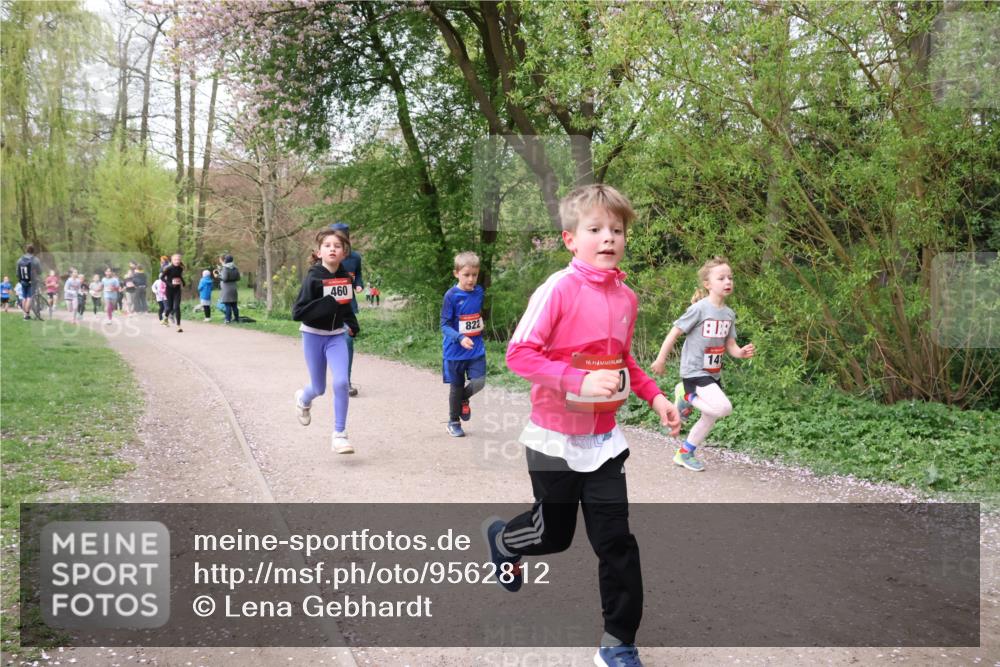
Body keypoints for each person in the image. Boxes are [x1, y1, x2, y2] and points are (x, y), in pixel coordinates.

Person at [482, 184, 681, 667]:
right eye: (595, 229)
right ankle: (505, 540)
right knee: (554, 535)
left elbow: (625, 361)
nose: (607, 238)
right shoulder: (557, 289)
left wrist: (655, 398)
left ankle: (619, 640)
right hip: (553, 437)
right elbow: (518, 354)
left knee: (616, 542)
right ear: (570, 238)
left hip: (605, 442)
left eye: (616, 229)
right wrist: (575, 379)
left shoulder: (627, 298)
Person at [650, 256, 755, 472]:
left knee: (710, 417)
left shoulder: (729, 314)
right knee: (724, 408)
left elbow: (730, 345)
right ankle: (686, 396)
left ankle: (685, 453)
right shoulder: (699, 309)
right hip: (694, 371)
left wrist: (741, 353)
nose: (728, 282)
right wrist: (661, 359)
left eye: (730, 278)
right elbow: (674, 333)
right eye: (721, 278)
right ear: (708, 284)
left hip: (713, 373)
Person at [292, 228, 360, 454]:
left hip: (336, 337)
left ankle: (340, 434)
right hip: (312, 335)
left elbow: (346, 304)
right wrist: (327, 304)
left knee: (341, 382)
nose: (332, 248)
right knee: (319, 388)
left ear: (344, 253)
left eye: (337, 246)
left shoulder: (345, 278)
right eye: (328, 245)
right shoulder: (313, 276)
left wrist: (352, 323)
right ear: (319, 252)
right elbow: (298, 312)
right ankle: (303, 398)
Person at [440, 252, 487, 437]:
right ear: (456, 273)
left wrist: (478, 324)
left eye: (474, 275)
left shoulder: (479, 291)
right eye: (466, 275)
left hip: (476, 348)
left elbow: (474, 315)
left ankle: (463, 399)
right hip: (455, 351)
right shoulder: (451, 296)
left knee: (479, 381)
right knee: (456, 386)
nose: (471, 279)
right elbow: (444, 325)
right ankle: (453, 422)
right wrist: (460, 337)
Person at [329, 222, 363, 396]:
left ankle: (345, 382)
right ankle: (334, 377)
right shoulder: (326, 257)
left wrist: (358, 286)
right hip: (327, 310)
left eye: (340, 240)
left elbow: (358, 277)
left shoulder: (355, 258)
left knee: (347, 341)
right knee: (329, 343)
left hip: (348, 307)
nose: (335, 245)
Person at [16, 244, 43, 320]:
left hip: (23, 281)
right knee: (29, 297)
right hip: (32, 282)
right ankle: (27, 314)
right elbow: (40, 271)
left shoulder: (20, 260)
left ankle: (24, 314)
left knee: (24, 297)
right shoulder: (35, 260)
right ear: (33, 251)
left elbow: (17, 273)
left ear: (26, 250)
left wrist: (21, 280)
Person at [161, 254, 185, 332]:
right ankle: (165, 317)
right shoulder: (168, 268)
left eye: (178, 259)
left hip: (177, 290)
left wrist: (183, 282)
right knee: (169, 308)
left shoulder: (180, 268)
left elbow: (179, 276)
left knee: (176, 307)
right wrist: (169, 284)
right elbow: (162, 277)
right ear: (172, 260)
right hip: (169, 290)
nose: (177, 261)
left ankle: (179, 326)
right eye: (175, 259)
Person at [218, 254, 240, 324]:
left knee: (227, 305)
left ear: (226, 260)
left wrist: (218, 276)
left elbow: (224, 278)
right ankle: (236, 319)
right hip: (233, 287)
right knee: (234, 305)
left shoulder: (225, 268)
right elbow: (238, 278)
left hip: (226, 288)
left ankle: (228, 319)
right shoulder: (235, 268)